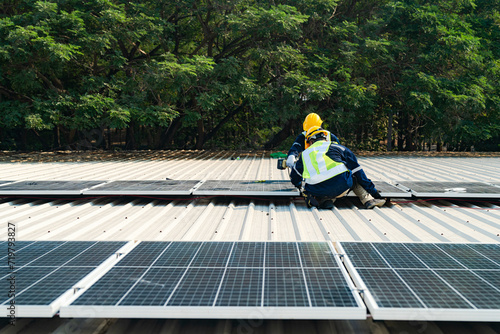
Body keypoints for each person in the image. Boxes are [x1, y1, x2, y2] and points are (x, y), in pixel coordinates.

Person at [289, 126, 386, 209]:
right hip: (342, 186)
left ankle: (327, 200)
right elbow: (359, 173)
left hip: (318, 190)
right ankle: (368, 200)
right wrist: (374, 192)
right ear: (326, 138)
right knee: (354, 177)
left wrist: (299, 186)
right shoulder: (339, 148)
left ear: (310, 141)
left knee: (313, 188)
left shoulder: (305, 154)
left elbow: (295, 176)